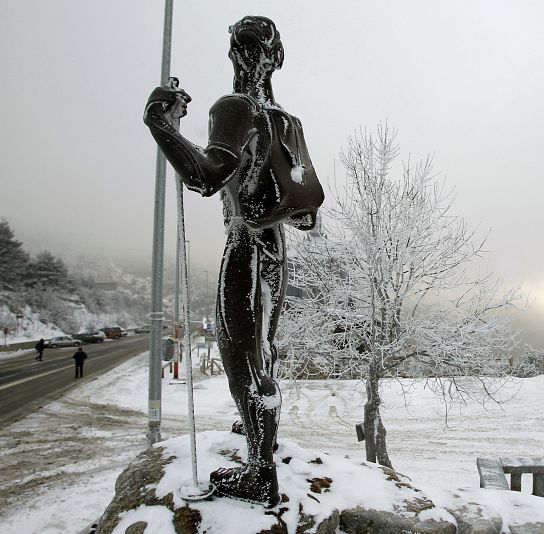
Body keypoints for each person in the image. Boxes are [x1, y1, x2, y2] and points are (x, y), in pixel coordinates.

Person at [143, 16, 323, 506]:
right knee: (261, 352)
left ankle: (259, 474)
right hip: (275, 252)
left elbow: (205, 176)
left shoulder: (234, 108)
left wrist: (160, 125)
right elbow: (306, 214)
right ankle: (258, 439)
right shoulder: (288, 122)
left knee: (241, 361)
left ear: (235, 55)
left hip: (244, 248)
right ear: (275, 58)